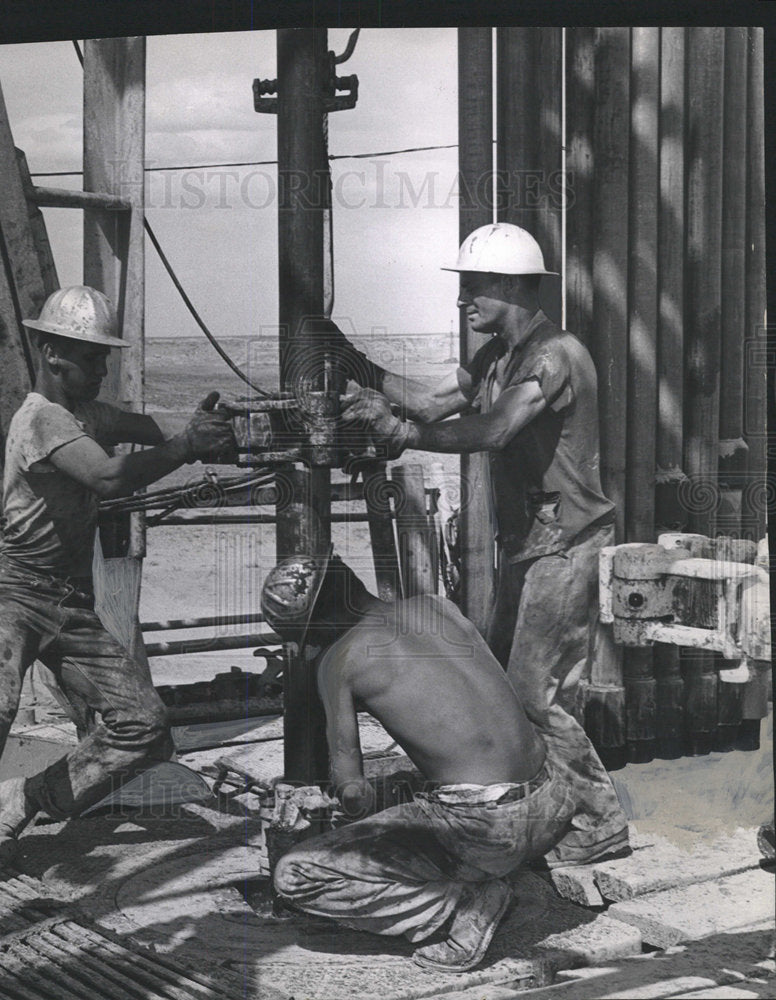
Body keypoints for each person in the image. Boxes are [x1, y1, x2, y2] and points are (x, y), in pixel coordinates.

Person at [0, 285, 236, 928]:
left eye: (102, 358)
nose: (101, 370)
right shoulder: (42, 418)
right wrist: (183, 450)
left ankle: (31, 796)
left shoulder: (87, 413)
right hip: (16, 594)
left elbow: (148, 429)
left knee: (144, 725)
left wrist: (208, 433)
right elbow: (110, 477)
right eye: (91, 358)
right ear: (51, 351)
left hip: (71, 606)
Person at [327, 222, 628, 867]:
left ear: (514, 286)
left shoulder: (555, 357)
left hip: (567, 543)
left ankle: (599, 820)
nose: (462, 301)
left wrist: (401, 435)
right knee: (518, 687)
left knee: (532, 694)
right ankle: (559, 811)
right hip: (534, 542)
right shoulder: (498, 358)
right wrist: (352, 363)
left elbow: (494, 430)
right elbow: (428, 403)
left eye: (474, 287)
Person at [260, 552, 579, 973]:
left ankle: (463, 908)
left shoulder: (341, 660)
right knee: (415, 789)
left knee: (295, 875)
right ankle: (493, 874)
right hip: (555, 801)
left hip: (488, 830)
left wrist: (330, 805)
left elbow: (353, 793)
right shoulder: (435, 606)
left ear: (313, 627)